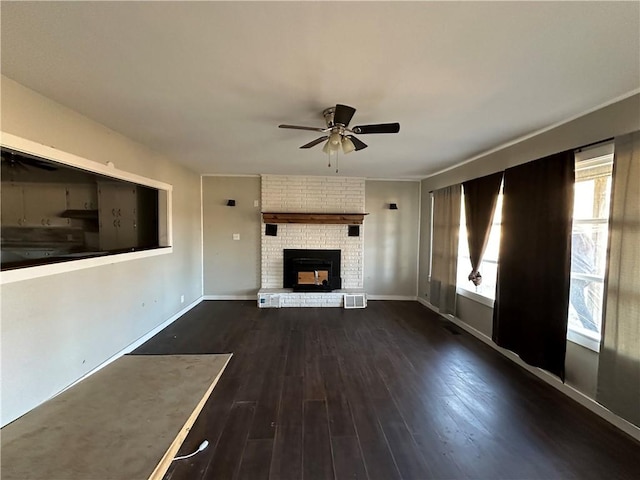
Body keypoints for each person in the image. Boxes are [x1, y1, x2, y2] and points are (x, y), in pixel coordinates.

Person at [570, 231, 598, 332]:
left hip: (576, 276)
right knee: (579, 305)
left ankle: (592, 331)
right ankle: (592, 331)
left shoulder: (577, 237)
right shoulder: (585, 239)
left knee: (580, 307)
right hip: (582, 276)